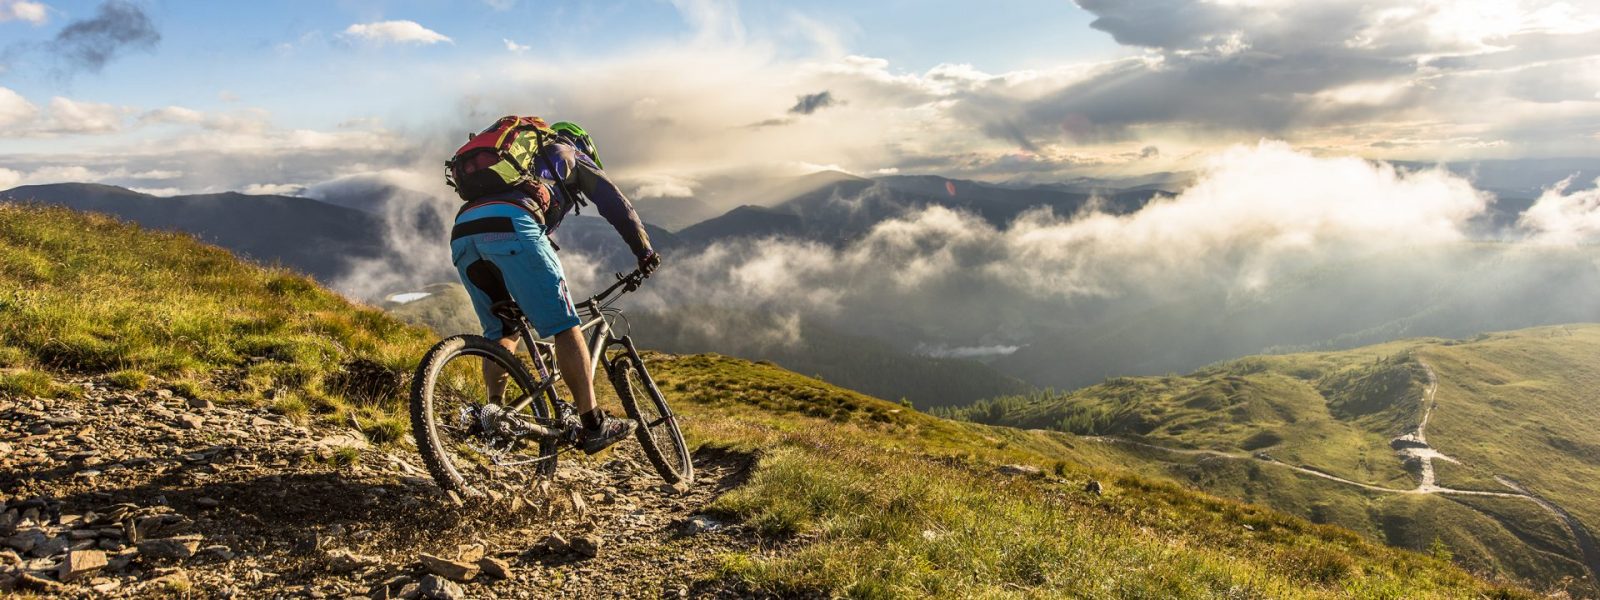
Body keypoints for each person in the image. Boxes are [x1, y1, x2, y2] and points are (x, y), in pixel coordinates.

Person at [448, 119, 660, 454]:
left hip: (463, 233)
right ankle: (593, 424)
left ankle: (495, 417)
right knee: (564, 324)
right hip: (513, 225)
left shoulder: (513, 163)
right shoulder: (567, 152)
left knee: (503, 330)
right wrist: (644, 251)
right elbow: (614, 201)